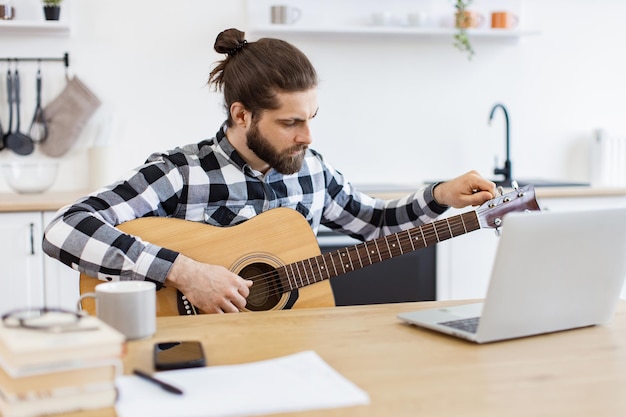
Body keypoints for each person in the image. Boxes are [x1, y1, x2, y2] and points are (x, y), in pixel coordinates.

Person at [43, 28, 496, 314]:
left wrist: (440, 196)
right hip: (200, 360)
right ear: (242, 116)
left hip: (292, 352)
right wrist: (185, 272)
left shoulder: (314, 172)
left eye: (311, 118)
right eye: (290, 123)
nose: (307, 137)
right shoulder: (180, 172)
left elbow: (376, 226)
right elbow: (66, 229)